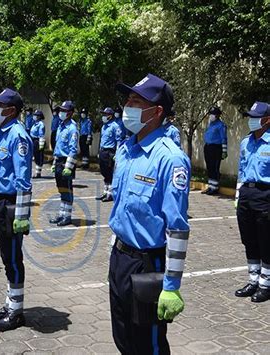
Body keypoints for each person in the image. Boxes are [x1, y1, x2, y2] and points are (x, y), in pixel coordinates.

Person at [109, 73, 190, 354]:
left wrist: (172, 285)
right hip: (119, 258)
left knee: (149, 345)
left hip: (148, 265)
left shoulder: (170, 158)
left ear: (156, 112)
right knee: (123, 337)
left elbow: (177, 227)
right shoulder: (126, 150)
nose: (127, 106)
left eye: (135, 101)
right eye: (128, 99)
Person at [0, 88, 32, 332]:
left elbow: (23, 179)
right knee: (6, 256)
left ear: (11, 110)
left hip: (12, 202)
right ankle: (10, 303)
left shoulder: (17, 135)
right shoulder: (2, 133)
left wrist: (21, 215)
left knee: (13, 257)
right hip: (0, 200)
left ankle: (17, 312)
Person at [234, 101, 270, 303]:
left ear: (267, 120)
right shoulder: (246, 142)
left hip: (266, 196)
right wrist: (238, 196)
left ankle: (266, 284)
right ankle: (253, 280)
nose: (252, 121)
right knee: (249, 240)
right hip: (246, 194)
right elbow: (241, 171)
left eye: (256, 117)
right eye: (251, 117)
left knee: (266, 241)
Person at [49, 101, 78, 227]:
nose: (61, 112)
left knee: (67, 190)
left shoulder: (72, 128)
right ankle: (61, 214)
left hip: (66, 162)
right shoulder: (61, 126)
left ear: (70, 113)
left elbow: (73, 149)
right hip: (59, 161)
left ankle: (67, 216)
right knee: (61, 190)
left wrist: (68, 167)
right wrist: (55, 163)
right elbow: (58, 147)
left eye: (64, 110)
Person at [96, 107, 125, 202]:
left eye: (105, 114)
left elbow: (118, 141)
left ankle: (110, 194)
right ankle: (105, 192)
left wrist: (117, 153)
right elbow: (101, 140)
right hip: (103, 151)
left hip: (110, 152)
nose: (103, 116)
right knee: (104, 173)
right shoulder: (104, 126)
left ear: (110, 116)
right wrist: (99, 151)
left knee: (109, 173)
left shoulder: (115, 126)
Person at [202, 106, 227, 195]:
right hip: (208, 147)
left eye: (213, 114)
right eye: (210, 114)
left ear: (217, 116)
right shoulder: (210, 124)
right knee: (209, 168)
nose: (211, 116)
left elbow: (224, 138)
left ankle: (215, 188)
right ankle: (210, 186)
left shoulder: (221, 125)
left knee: (215, 168)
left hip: (216, 148)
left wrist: (224, 151)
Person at [30, 109, 46, 178]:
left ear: (39, 117)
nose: (34, 116)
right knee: (35, 156)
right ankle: (37, 172)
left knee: (38, 157)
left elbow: (41, 135)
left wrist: (41, 145)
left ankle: (38, 173)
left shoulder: (40, 124)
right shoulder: (35, 124)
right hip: (33, 140)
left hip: (38, 141)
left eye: (36, 115)